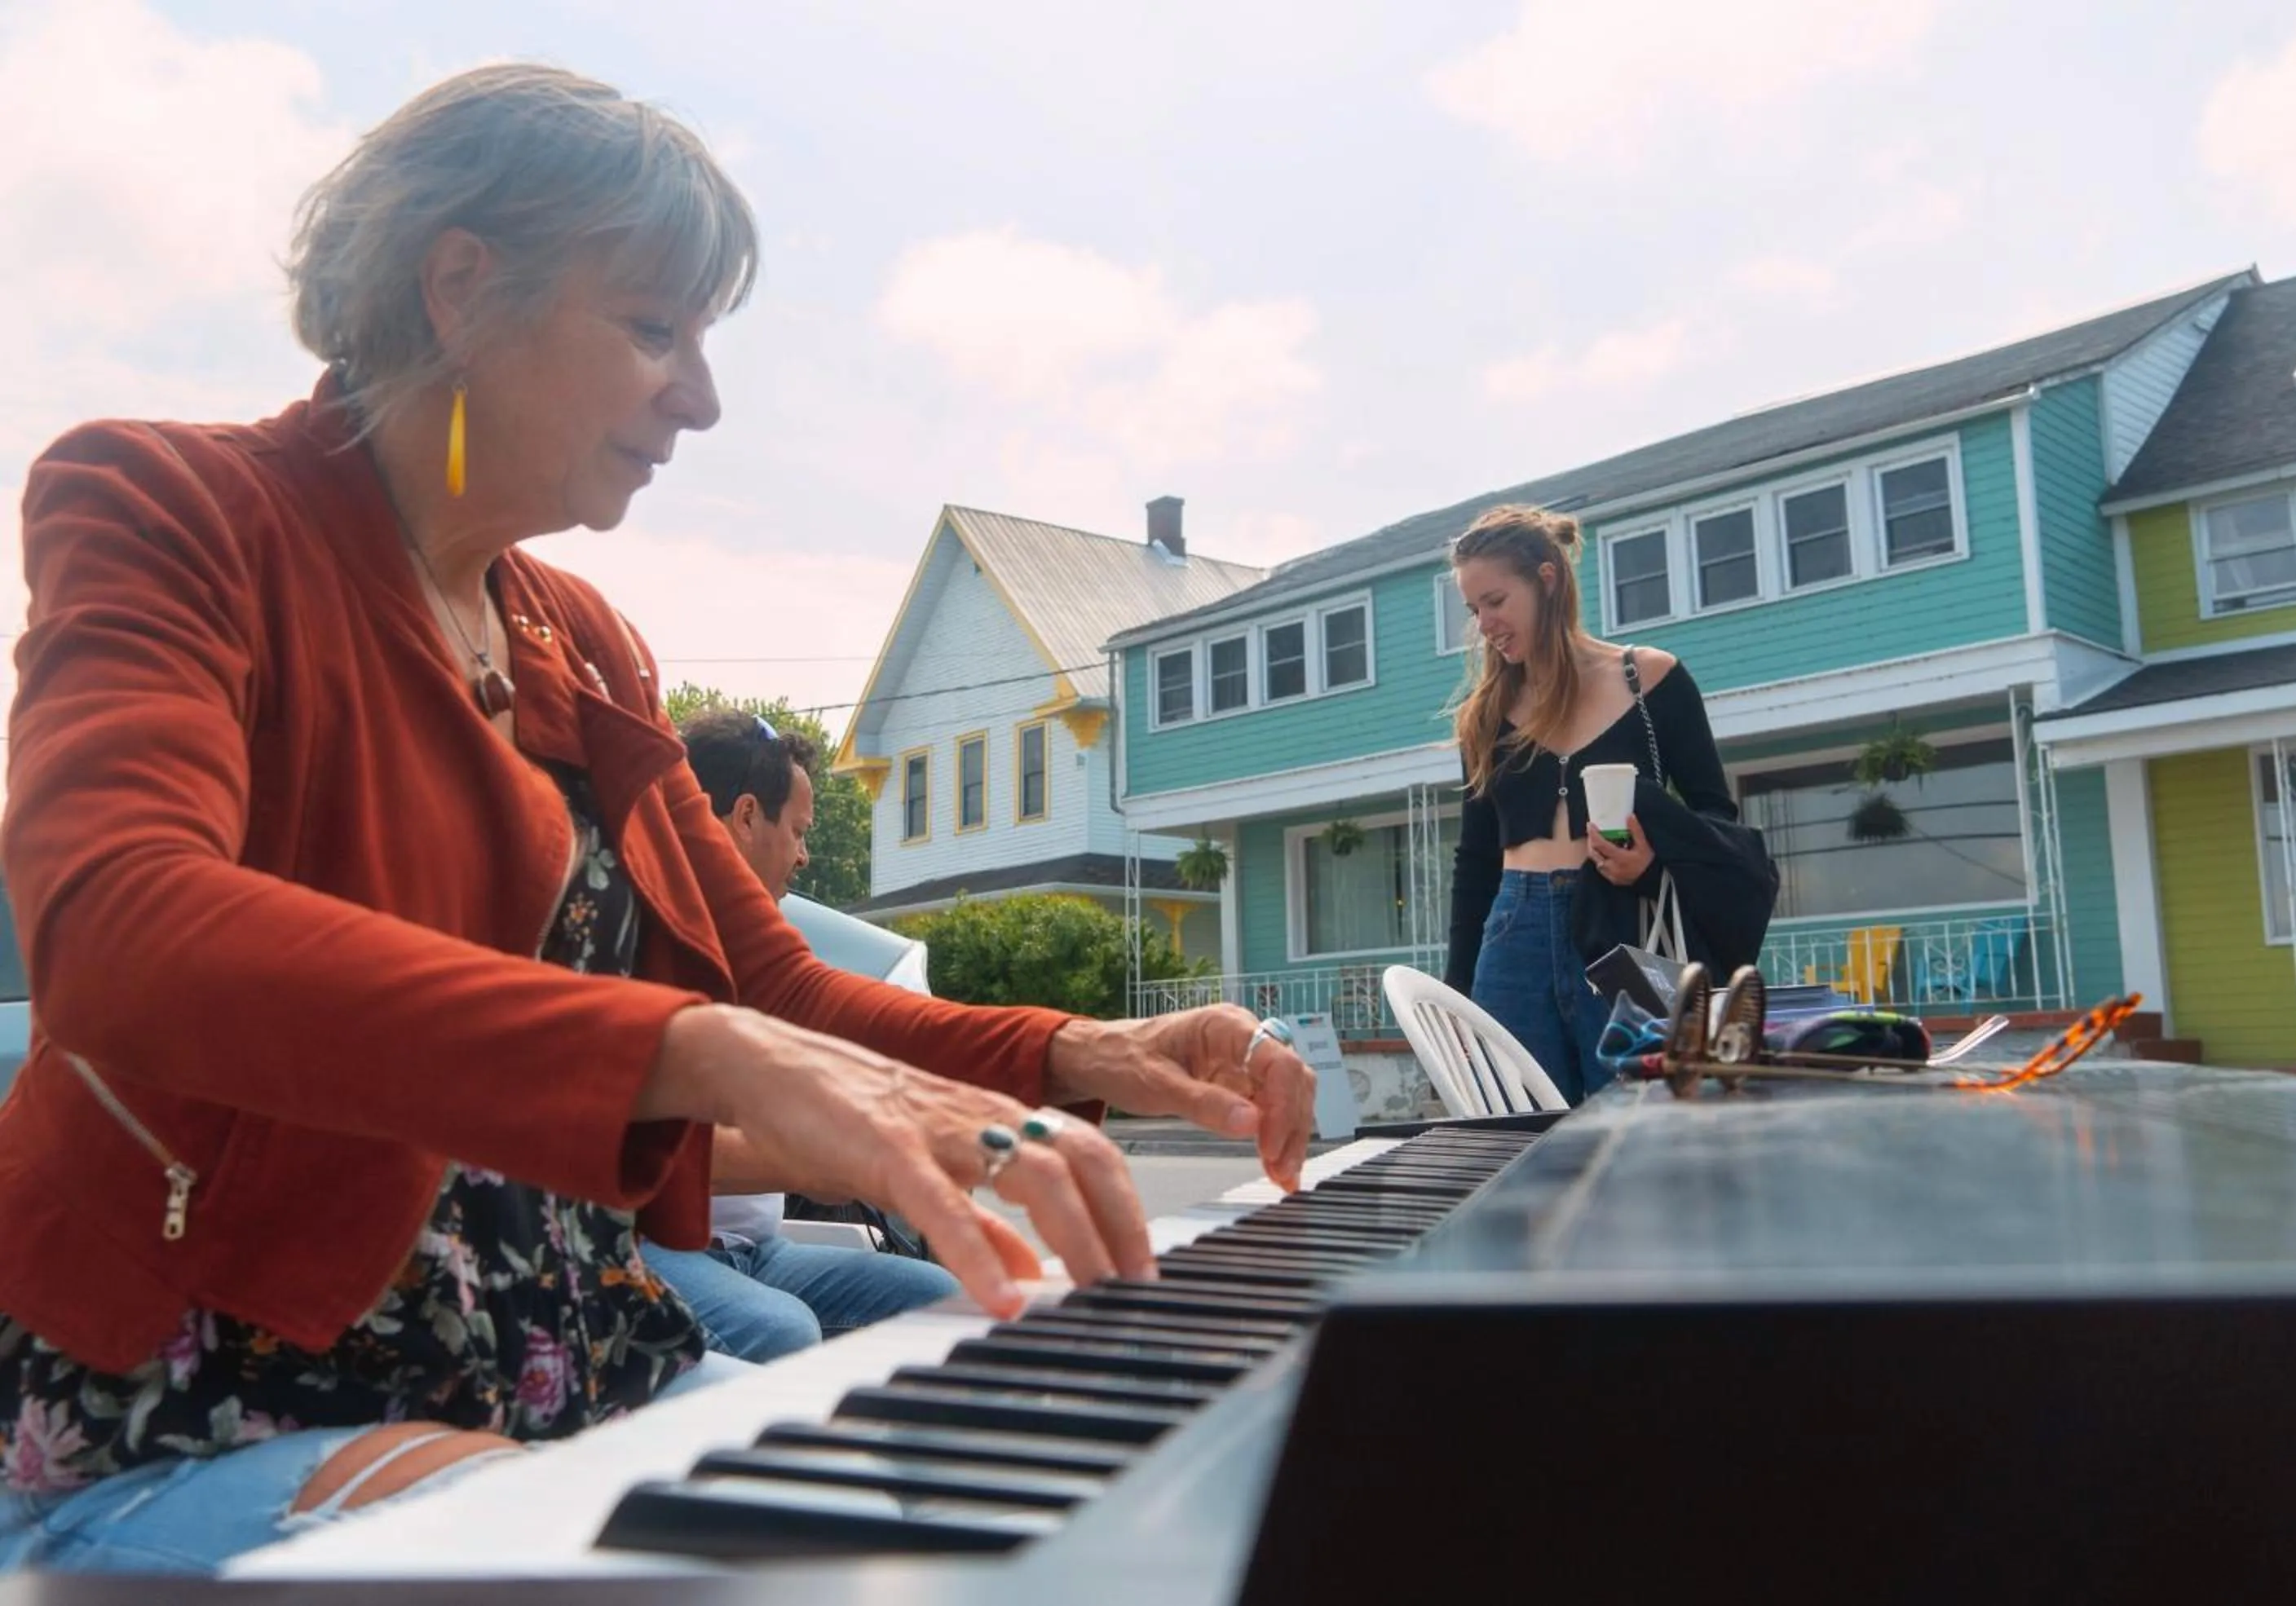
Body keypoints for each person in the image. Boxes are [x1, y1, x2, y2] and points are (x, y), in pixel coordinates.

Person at [0, 64, 1314, 1575]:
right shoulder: (169, 505)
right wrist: (682, 1048)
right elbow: (120, 928)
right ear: (460, 290)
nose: (700, 397)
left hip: (558, 1358)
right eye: (653, 331)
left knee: (941, 1534)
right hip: (207, 1394)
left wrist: (1090, 1055)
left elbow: (781, 990)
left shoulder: (581, 638)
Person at [638, 708, 959, 1358]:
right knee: (782, 1331)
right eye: (799, 831)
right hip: (649, 1248)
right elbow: (646, 1151)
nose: (806, 854)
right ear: (748, 816)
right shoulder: (645, 942)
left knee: (943, 1298)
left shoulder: (759, 951)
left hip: (759, 1251)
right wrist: (820, 1162)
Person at [1442, 504, 1736, 1104]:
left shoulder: (1650, 680)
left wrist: (1651, 865)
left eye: (1495, 601)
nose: (1485, 624)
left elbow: (1718, 821)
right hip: (1512, 935)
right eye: (1475, 610)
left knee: (1638, 1124)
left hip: (1623, 927)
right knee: (1519, 1135)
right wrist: (1458, 996)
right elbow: (1474, 863)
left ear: (1546, 578)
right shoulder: (1486, 714)